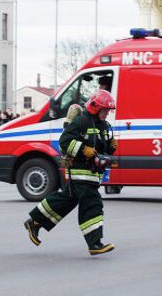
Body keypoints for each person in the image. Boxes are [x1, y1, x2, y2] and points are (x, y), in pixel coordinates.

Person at [24, 89, 117, 256]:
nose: (107, 114)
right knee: (92, 203)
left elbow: (104, 147)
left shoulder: (104, 126)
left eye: (108, 111)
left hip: (93, 174)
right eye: (105, 110)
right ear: (96, 108)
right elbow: (65, 141)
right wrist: (84, 150)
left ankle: (35, 222)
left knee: (66, 200)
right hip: (80, 172)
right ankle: (95, 243)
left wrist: (111, 147)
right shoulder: (81, 122)